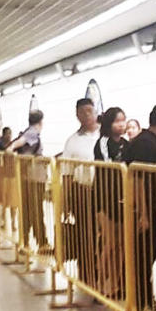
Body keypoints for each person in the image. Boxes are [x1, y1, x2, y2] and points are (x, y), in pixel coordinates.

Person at [123, 103, 156, 311]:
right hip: (146, 207)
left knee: (146, 254)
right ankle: (141, 303)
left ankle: (146, 299)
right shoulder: (147, 144)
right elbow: (139, 179)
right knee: (144, 255)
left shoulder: (146, 141)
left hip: (149, 206)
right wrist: (144, 213)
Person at [61, 99, 103, 284]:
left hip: (106, 191)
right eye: (82, 112)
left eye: (89, 111)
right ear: (77, 115)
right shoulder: (72, 141)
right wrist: (65, 201)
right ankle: (87, 275)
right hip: (82, 192)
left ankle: (106, 274)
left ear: (96, 111)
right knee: (86, 234)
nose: (86, 115)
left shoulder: (105, 135)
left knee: (107, 235)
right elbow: (67, 173)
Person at [93, 107, 128, 296]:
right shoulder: (103, 143)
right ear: (108, 124)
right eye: (117, 121)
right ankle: (99, 280)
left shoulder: (126, 143)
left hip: (122, 199)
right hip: (104, 198)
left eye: (123, 120)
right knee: (111, 242)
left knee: (121, 244)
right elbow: (109, 165)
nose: (121, 124)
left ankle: (115, 284)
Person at [8, 111, 48, 252]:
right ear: (41, 121)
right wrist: (11, 148)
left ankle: (26, 242)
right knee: (36, 210)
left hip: (28, 177)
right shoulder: (32, 133)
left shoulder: (29, 131)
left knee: (28, 210)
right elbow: (18, 143)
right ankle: (41, 243)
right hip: (34, 178)